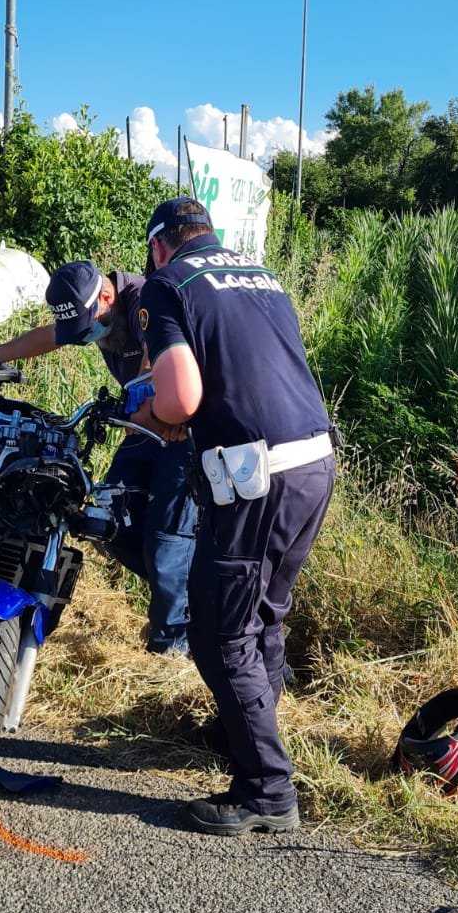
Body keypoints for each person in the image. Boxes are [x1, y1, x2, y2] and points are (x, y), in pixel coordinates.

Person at [133, 197, 335, 836]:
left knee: (219, 630)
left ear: (160, 246)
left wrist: (143, 421)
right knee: (265, 615)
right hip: (314, 460)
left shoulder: (169, 284)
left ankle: (266, 791)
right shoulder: (261, 274)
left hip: (256, 474)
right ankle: (244, 737)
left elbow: (179, 398)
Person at [0, 259, 197, 655]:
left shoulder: (145, 299)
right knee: (108, 522)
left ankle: (173, 648)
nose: (86, 337)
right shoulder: (95, 310)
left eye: (88, 326)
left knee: (167, 541)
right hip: (142, 427)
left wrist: (143, 405)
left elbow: (155, 358)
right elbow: (49, 336)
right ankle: (187, 596)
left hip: (178, 428)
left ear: (108, 297)